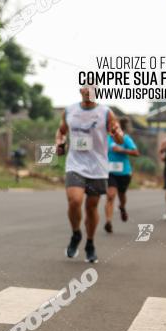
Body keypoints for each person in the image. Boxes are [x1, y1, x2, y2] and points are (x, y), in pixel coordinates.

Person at [55, 85, 124, 263]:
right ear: (81, 91)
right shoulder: (69, 110)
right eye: (86, 89)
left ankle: (90, 243)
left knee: (91, 207)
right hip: (75, 165)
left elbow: (119, 136)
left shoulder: (105, 112)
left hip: (97, 167)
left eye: (92, 90)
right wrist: (60, 143)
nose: (88, 92)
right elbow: (61, 131)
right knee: (75, 200)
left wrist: (117, 134)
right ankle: (76, 234)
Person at [104, 117, 139, 233]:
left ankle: (122, 207)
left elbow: (136, 152)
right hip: (110, 172)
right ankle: (108, 222)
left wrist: (122, 150)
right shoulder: (107, 138)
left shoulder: (126, 138)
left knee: (122, 195)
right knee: (110, 195)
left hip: (124, 173)